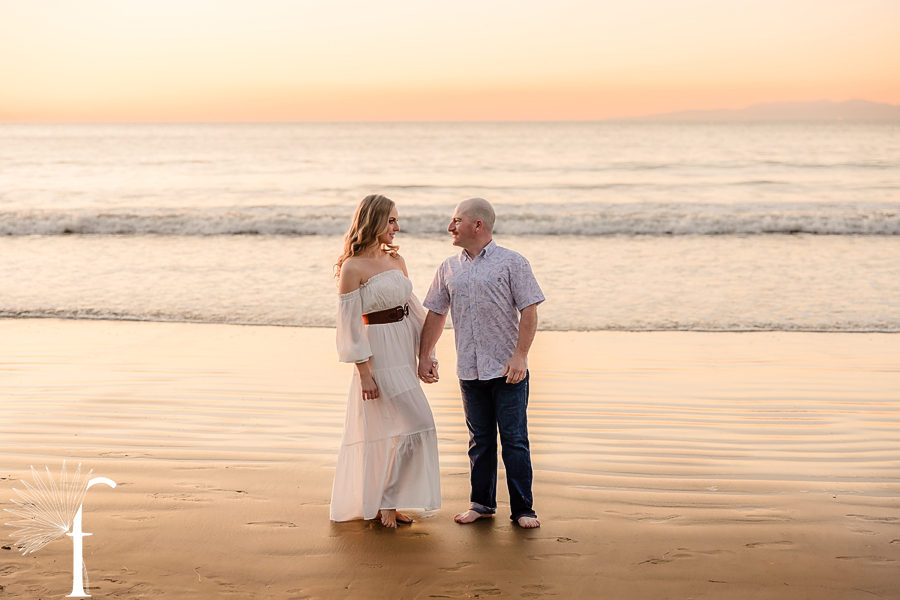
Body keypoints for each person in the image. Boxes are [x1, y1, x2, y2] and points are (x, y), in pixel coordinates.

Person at [418, 198, 544, 529]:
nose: (450, 227)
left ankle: (523, 509)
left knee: (515, 440)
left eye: (456, 220)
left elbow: (529, 309)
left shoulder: (512, 263)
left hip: (507, 369)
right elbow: (435, 312)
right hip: (469, 370)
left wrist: (521, 354)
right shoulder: (448, 267)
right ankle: (482, 503)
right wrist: (425, 354)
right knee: (479, 441)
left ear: (478, 225)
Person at [331, 194, 441, 528]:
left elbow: (415, 311)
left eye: (396, 220)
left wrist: (427, 355)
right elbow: (349, 325)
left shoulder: (397, 260)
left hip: (403, 349)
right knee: (418, 423)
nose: (396, 227)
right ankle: (387, 500)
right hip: (378, 356)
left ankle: (387, 498)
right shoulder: (352, 267)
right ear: (374, 221)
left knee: (409, 426)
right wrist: (364, 373)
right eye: (391, 220)